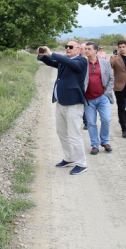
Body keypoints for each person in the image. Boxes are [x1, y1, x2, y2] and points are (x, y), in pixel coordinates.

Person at [37, 40, 89, 176]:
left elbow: (70, 64)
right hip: (61, 102)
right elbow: (52, 63)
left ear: (79, 49)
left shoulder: (82, 61)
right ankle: (69, 158)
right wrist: (43, 56)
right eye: (66, 46)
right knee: (61, 132)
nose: (67, 49)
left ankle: (81, 163)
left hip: (73, 103)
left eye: (71, 47)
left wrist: (52, 53)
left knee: (74, 135)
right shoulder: (65, 60)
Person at [83, 42, 114, 154]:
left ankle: (105, 141)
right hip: (88, 99)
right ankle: (95, 145)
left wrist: (107, 93)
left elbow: (111, 79)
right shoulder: (83, 63)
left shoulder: (105, 63)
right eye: (85, 49)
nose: (86, 51)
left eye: (89, 49)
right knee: (91, 122)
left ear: (96, 51)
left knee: (106, 119)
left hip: (102, 97)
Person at [110, 40, 126, 138]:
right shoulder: (115, 58)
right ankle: (124, 129)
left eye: (123, 46)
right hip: (119, 86)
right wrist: (112, 60)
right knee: (121, 107)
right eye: (120, 47)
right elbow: (110, 66)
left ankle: (123, 118)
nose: (121, 48)